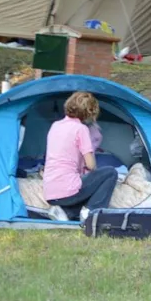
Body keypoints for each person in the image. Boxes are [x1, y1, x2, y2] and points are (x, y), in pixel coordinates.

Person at [43, 92, 117, 223]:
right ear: (89, 113)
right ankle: (91, 213)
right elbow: (91, 166)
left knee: (84, 184)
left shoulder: (55, 125)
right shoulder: (81, 129)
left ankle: (66, 212)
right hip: (67, 191)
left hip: (50, 192)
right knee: (110, 173)